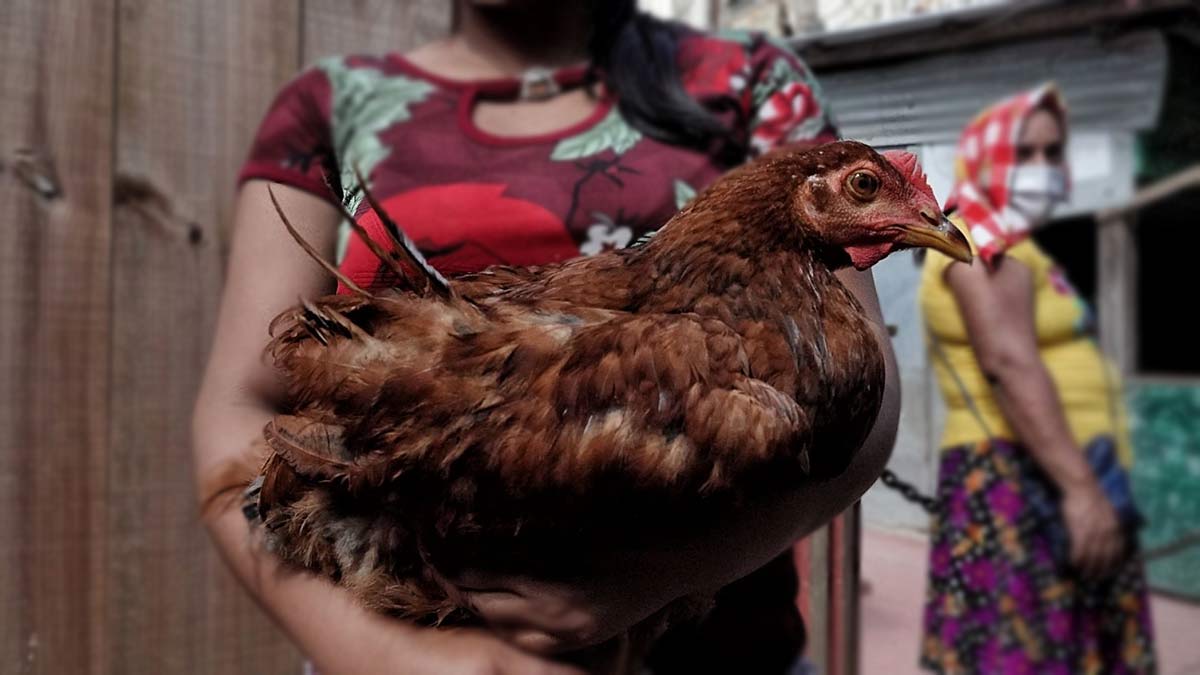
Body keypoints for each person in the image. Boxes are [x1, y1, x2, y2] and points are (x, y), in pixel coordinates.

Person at [192, 2, 900, 673]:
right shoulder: (328, 106)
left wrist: (667, 575)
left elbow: (854, 382)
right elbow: (239, 408)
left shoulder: (751, 83)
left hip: (726, 652)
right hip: (404, 633)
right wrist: (385, 655)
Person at [917, 84, 1156, 673]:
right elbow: (1008, 362)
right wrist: (1081, 491)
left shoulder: (1019, 247)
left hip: (1056, 467)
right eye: (1024, 153)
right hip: (1019, 478)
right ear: (986, 156)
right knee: (1027, 652)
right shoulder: (977, 240)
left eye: (1053, 153)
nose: (1042, 169)